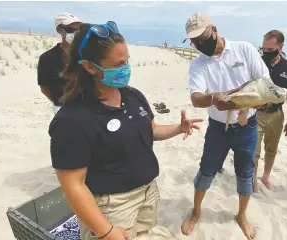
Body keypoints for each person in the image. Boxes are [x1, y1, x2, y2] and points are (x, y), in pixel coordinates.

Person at [49, 22, 202, 240]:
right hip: (112, 207)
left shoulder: (132, 96)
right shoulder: (72, 120)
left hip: (147, 194)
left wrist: (179, 128)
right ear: (90, 67)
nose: (126, 67)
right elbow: (73, 185)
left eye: (127, 60)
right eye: (118, 63)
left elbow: (151, 131)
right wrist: (105, 230)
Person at [180, 13, 269, 240]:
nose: (200, 44)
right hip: (218, 128)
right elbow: (196, 98)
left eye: (203, 37)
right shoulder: (199, 63)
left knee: (245, 172)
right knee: (207, 169)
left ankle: (241, 215)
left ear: (215, 30)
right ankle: (196, 211)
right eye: (194, 41)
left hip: (247, 125)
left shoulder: (244, 50)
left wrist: (254, 100)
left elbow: (264, 83)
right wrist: (213, 99)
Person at [252, 30, 287, 192]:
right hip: (256, 114)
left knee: (271, 149)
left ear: (281, 47)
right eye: (264, 49)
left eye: (270, 50)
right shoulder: (257, 63)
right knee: (254, 151)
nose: (266, 53)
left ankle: (266, 176)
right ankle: (253, 179)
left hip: (276, 115)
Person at [38, 12, 81, 115]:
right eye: (70, 30)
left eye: (78, 30)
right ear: (59, 30)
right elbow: (44, 88)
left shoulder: (86, 54)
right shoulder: (47, 58)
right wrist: (59, 102)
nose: (75, 33)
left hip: (87, 107)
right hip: (63, 109)